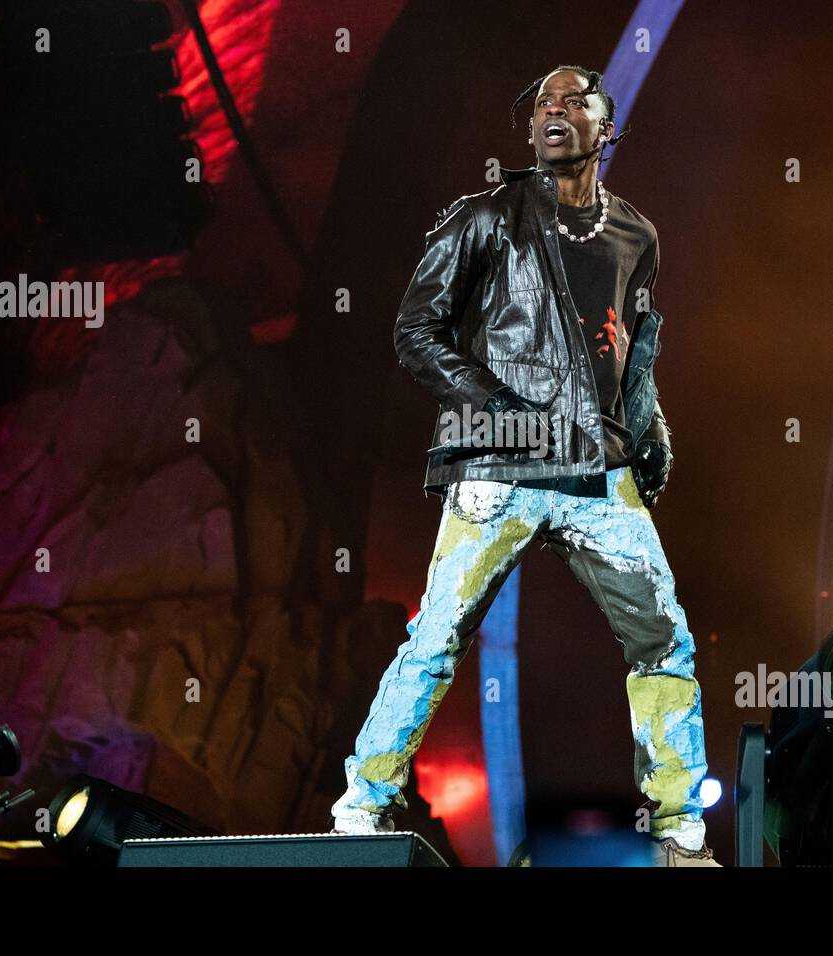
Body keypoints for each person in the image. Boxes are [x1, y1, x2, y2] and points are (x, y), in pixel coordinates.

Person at [330, 65, 719, 867]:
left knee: (664, 639)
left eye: (574, 101)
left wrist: (652, 434)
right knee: (436, 636)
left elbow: (630, 354)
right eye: (543, 103)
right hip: (499, 469)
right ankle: (361, 807)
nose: (555, 110)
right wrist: (496, 406)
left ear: (606, 129)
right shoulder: (485, 219)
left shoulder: (635, 236)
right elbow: (416, 330)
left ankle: (680, 832)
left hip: (598, 471)